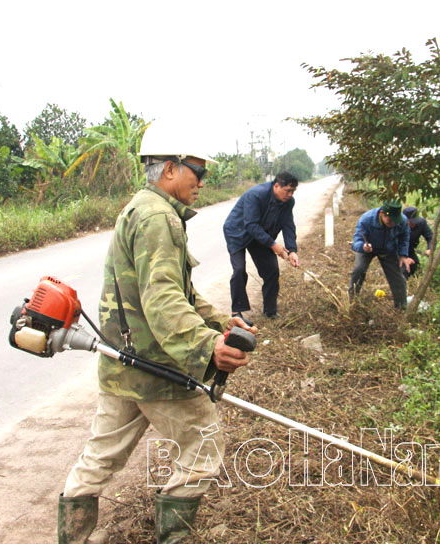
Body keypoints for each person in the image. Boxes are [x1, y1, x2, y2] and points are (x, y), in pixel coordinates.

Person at [58, 124, 257, 544]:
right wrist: (209, 349)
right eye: (197, 172)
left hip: (121, 364)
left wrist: (221, 324)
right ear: (169, 168)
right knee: (203, 448)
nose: (203, 182)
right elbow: (163, 301)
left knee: (99, 458)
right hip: (154, 369)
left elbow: (178, 292)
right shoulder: (158, 217)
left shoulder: (143, 208)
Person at [222, 172, 300, 319]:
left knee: (272, 270)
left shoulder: (288, 202)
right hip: (237, 232)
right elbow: (251, 225)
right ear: (276, 186)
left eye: (293, 191)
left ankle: (270, 311)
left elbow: (288, 225)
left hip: (261, 235)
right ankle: (236, 312)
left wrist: (292, 250)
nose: (290, 195)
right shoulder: (256, 194)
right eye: (287, 190)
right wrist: (273, 245)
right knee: (239, 270)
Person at [348, 201, 413, 308]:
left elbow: (404, 238)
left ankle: (401, 307)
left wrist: (403, 255)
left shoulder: (402, 221)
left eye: (395, 221)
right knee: (359, 270)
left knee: (397, 278)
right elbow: (356, 242)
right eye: (390, 221)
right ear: (382, 213)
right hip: (368, 248)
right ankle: (352, 301)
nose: (393, 224)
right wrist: (363, 246)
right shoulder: (366, 219)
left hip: (389, 249)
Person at [402, 206, 433, 278]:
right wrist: (404, 257)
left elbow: (430, 236)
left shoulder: (421, 223)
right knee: (404, 271)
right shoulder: (397, 225)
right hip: (396, 251)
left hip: (410, 250)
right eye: (411, 222)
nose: (414, 224)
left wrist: (430, 248)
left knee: (416, 270)